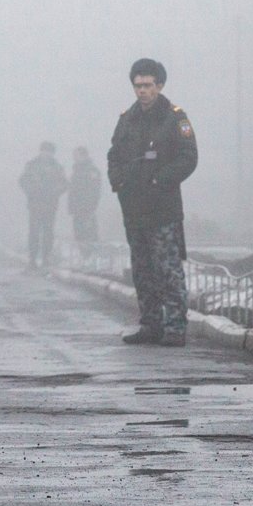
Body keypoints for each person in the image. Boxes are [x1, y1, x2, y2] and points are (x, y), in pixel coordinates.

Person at [107, 58, 197, 347]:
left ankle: (174, 326)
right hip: (134, 208)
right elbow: (115, 155)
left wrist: (160, 180)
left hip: (163, 209)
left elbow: (188, 157)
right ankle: (150, 324)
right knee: (142, 269)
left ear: (159, 85)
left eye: (147, 85)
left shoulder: (175, 118)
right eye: (137, 85)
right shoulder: (127, 119)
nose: (142, 91)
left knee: (167, 269)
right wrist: (118, 182)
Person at [18, 141, 68, 269]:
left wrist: (54, 192)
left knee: (48, 233)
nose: (46, 154)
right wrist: (31, 191)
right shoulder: (31, 165)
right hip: (35, 204)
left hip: (50, 205)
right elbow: (23, 180)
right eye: (44, 151)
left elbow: (64, 184)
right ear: (40, 151)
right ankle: (32, 259)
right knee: (34, 232)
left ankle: (46, 258)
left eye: (49, 151)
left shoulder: (57, 167)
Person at [68, 146, 102, 258]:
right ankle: (84, 257)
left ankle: (92, 257)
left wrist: (91, 206)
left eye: (77, 155)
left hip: (87, 208)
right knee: (79, 234)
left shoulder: (91, 171)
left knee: (89, 234)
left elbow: (95, 190)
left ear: (84, 155)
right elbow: (72, 190)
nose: (74, 158)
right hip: (77, 209)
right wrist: (71, 206)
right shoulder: (76, 171)